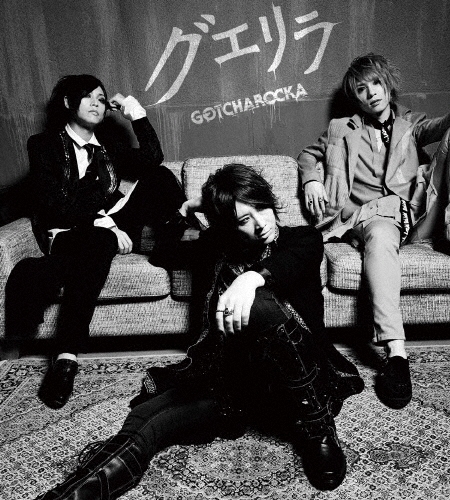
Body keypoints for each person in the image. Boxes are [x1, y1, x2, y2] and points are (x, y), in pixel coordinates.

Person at [34, 163, 365, 498]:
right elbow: (162, 253)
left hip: (300, 381)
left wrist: (250, 280)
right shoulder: (217, 249)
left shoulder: (303, 239)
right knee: (145, 421)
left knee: (258, 303)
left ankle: (319, 429)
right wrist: (185, 210)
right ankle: (69, 494)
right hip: (237, 384)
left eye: (261, 208)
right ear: (229, 227)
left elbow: (288, 264)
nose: (260, 223)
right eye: (243, 220)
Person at [297, 53, 450, 410]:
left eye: (376, 83)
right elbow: (308, 156)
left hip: (418, 216)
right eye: (362, 88)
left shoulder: (411, 123)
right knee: (379, 236)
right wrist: (311, 179)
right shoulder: (341, 128)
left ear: (388, 84)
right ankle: (396, 354)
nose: (371, 92)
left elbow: (447, 123)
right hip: (375, 218)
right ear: (356, 97)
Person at [3, 74, 186, 409]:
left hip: (110, 225)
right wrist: (105, 224)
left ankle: (172, 237)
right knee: (100, 240)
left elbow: (153, 157)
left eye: (101, 99)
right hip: (68, 233)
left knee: (158, 175)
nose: (97, 104)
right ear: (68, 102)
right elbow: (54, 204)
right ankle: (66, 357)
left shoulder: (108, 148)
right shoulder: (43, 145)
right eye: (88, 97)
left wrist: (134, 112)